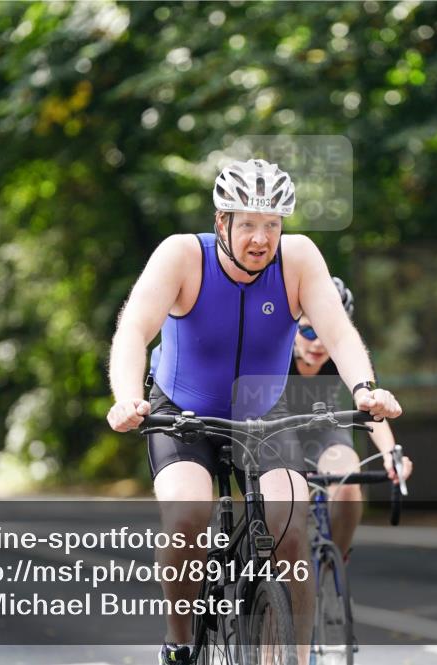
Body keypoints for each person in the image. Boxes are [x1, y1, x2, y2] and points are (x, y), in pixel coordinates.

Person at [107, 158, 403, 665]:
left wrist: (365, 389)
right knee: (187, 515)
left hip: (261, 415)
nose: (261, 238)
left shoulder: (300, 260)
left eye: (272, 224)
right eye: (247, 223)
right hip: (183, 413)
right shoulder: (182, 256)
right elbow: (134, 328)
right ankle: (179, 645)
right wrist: (127, 397)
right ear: (221, 222)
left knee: (290, 530)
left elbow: (338, 333)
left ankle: (294, 657)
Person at [286, 276, 413, 559]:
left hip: (326, 432)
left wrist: (391, 454)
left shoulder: (349, 356)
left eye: (326, 332)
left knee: (347, 484)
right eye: (308, 332)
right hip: (278, 432)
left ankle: (335, 564)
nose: (318, 343)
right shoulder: (273, 353)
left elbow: (371, 411)